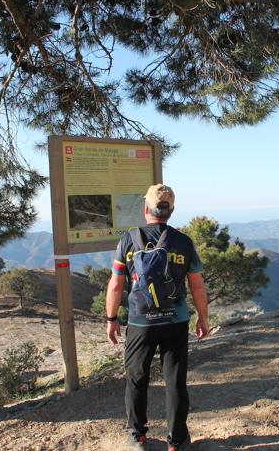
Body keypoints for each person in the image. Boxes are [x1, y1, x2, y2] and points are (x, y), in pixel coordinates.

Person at [106, 184, 210, 451]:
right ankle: (177, 441)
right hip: (175, 321)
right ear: (171, 211)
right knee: (175, 381)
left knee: (137, 379)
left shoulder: (128, 240)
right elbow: (197, 285)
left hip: (141, 323)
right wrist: (203, 318)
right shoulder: (183, 242)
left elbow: (116, 285)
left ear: (146, 209)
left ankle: (137, 436)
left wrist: (111, 318)